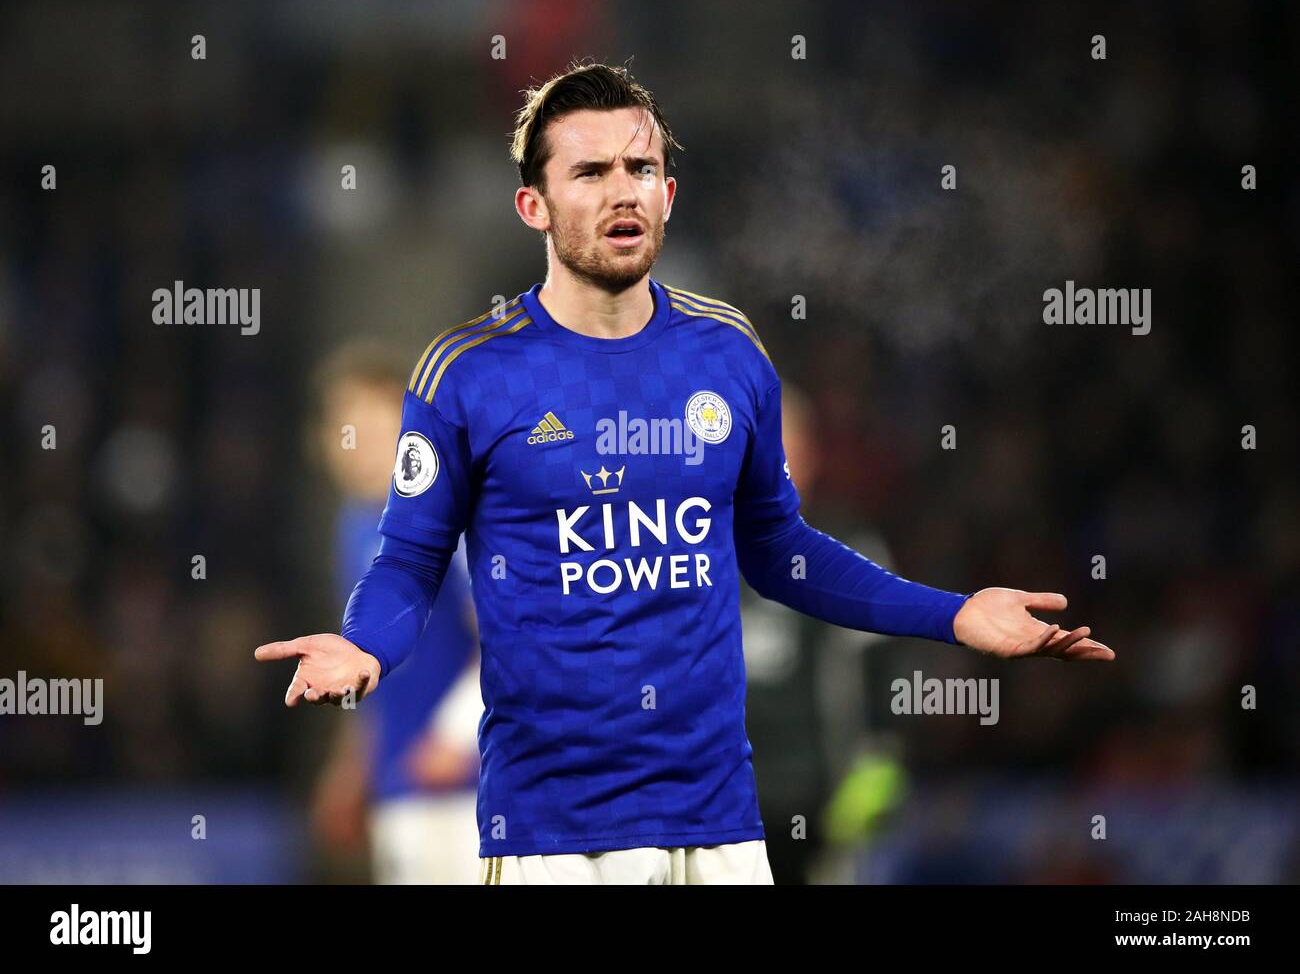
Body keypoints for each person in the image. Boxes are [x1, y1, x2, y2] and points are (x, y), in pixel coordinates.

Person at [256, 62, 1113, 886]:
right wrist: (365, 643)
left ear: (668, 192)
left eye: (642, 167)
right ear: (534, 205)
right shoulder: (468, 374)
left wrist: (955, 614)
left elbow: (781, 553)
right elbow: (407, 563)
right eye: (589, 171)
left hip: (722, 828)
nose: (623, 189)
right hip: (558, 835)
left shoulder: (728, 352)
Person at [307, 345, 481, 884]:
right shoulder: (352, 528)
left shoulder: (450, 519)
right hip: (400, 787)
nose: (357, 444)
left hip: (475, 791)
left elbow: (508, 637)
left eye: (375, 426)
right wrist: (350, 770)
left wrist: (456, 737)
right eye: (345, 425)